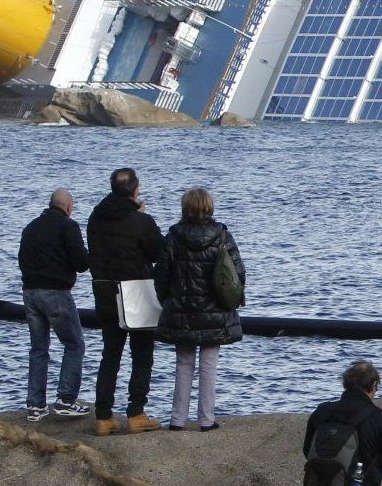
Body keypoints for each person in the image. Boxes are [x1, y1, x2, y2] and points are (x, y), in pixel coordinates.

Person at [154, 187, 245, 432]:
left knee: (183, 363)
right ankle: (206, 418)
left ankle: (177, 419)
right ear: (209, 207)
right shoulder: (222, 236)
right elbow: (237, 272)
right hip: (214, 309)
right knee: (209, 364)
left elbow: (161, 274)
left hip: (180, 308)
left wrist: (167, 300)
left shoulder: (173, 236)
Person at [87, 168, 165, 435]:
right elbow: (158, 252)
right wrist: (140, 217)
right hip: (137, 292)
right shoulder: (140, 221)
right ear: (135, 189)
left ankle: (104, 416)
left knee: (110, 355)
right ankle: (136, 412)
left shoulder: (95, 218)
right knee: (142, 355)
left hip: (105, 292)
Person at [16, 189, 91, 422]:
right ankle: (66, 399)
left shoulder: (31, 227)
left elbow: (21, 258)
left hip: (30, 291)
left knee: (39, 348)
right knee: (74, 345)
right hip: (56, 292)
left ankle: (35, 405)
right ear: (68, 207)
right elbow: (81, 263)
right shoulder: (68, 226)